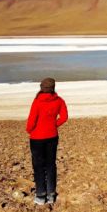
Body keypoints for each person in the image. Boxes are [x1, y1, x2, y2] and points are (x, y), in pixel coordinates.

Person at [26, 77, 68, 205]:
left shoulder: (37, 101)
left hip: (37, 138)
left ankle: (40, 195)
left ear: (42, 88)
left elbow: (31, 121)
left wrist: (30, 130)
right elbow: (64, 117)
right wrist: (54, 125)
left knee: (38, 166)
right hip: (52, 136)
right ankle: (51, 195)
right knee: (51, 165)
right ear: (53, 88)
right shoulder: (59, 100)